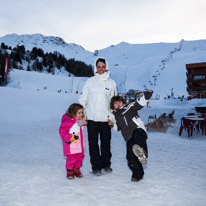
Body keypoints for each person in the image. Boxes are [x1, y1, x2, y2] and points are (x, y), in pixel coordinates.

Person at [79, 57, 117, 176]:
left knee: (106, 142)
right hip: (91, 118)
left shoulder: (111, 83)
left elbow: (114, 102)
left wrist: (112, 118)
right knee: (93, 143)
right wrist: (81, 114)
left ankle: (106, 164)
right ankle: (96, 167)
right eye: (99, 67)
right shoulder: (89, 82)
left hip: (105, 119)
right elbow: (83, 98)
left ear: (107, 67)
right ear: (95, 67)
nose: (101, 69)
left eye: (103, 67)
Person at [109, 90, 153, 182]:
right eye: (115, 103)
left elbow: (139, 103)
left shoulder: (129, 107)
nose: (118, 105)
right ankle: (138, 174)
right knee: (130, 157)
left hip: (138, 130)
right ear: (113, 106)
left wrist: (147, 94)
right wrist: (112, 124)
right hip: (128, 137)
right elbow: (117, 128)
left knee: (137, 138)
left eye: (120, 102)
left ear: (123, 102)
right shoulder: (114, 115)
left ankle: (143, 152)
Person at [59, 103, 87, 179]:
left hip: (80, 145)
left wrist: (83, 121)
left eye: (82, 112)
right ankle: (70, 171)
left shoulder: (80, 121)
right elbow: (62, 131)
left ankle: (76, 168)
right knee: (71, 159)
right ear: (73, 112)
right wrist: (69, 137)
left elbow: (84, 122)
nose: (81, 114)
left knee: (79, 158)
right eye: (79, 113)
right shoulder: (68, 122)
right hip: (71, 146)